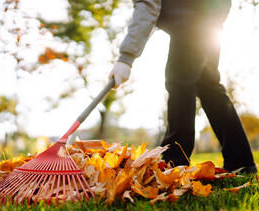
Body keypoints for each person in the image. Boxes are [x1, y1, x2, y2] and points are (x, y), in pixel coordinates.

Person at [109, 0, 257, 173]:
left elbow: (148, 6)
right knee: (208, 86)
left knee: (180, 83)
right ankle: (241, 161)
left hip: (193, 18)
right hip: (210, 17)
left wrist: (126, 57)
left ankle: (175, 163)